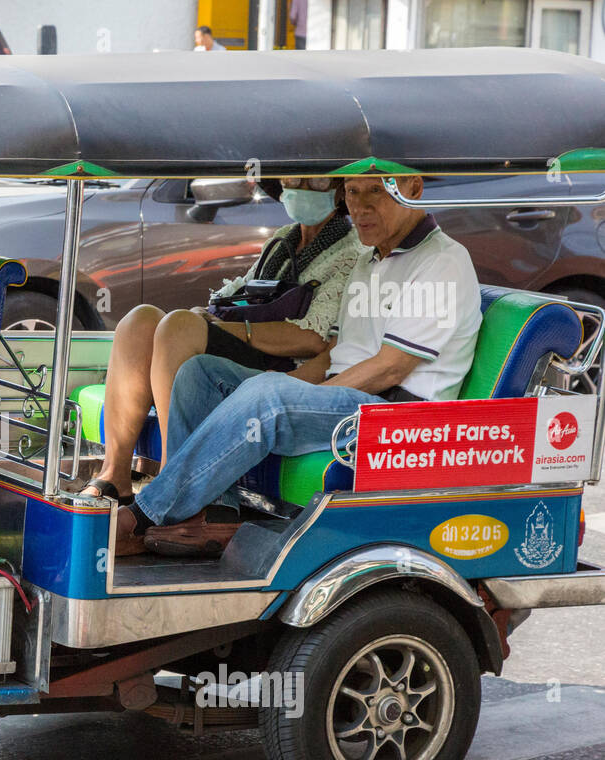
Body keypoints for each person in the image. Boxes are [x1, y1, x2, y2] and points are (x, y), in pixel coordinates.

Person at [113, 168, 483, 557]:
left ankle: (143, 514)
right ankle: (215, 515)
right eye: (353, 191)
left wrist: (295, 394)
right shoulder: (369, 261)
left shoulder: (442, 261)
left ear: (414, 188)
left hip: (395, 417)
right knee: (199, 374)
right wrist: (293, 385)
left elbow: (391, 366)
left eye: (377, 190)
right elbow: (336, 353)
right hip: (348, 398)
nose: (361, 205)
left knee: (270, 394)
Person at [81, 177, 364, 504]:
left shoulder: (351, 249)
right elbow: (238, 292)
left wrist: (227, 328)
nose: (301, 185)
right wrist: (208, 313)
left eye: (314, 179)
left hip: (285, 363)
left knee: (179, 327)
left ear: (339, 189)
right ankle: (114, 474)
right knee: (140, 320)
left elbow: (312, 337)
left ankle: (174, 479)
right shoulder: (283, 239)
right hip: (250, 339)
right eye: (293, 177)